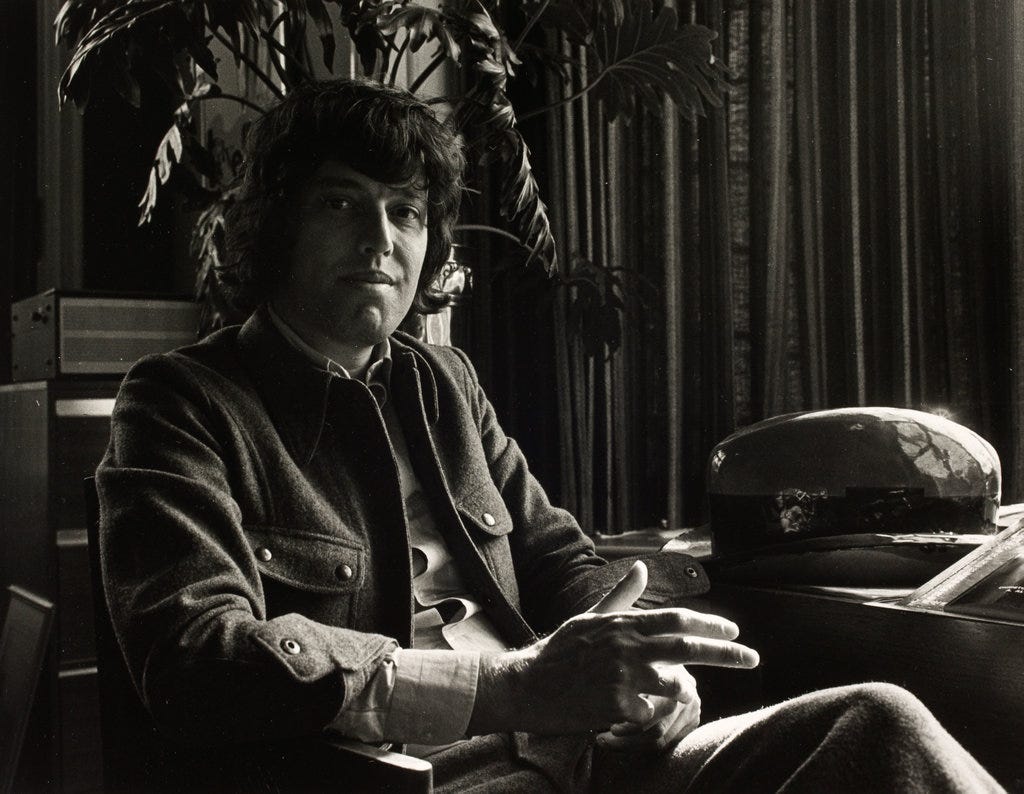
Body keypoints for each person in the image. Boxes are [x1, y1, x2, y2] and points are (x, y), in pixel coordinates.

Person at [96, 78, 1004, 792]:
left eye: (406, 211)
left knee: (877, 722)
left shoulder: (445, 381)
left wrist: (647, 661)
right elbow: (195, 660)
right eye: (340, 203)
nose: (380, 238)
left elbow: (559, 559)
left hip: (586, 757)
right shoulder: (181, 402)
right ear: (275, 223)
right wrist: (513, 689)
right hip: (430, 778)